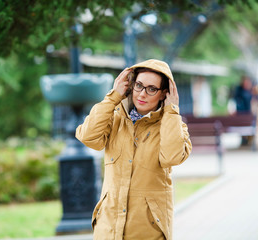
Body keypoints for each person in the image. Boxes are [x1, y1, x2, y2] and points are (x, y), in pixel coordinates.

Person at [76, 59, 192, 240]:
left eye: (151, 89)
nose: (142, 94)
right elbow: (88, 137)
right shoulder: (115, 118)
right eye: (139, 85)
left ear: (164, 94)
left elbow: (171, 157)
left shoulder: (173, 125)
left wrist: (171, 111)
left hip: (147, 231)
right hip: (108, 229)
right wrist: (113, 96)